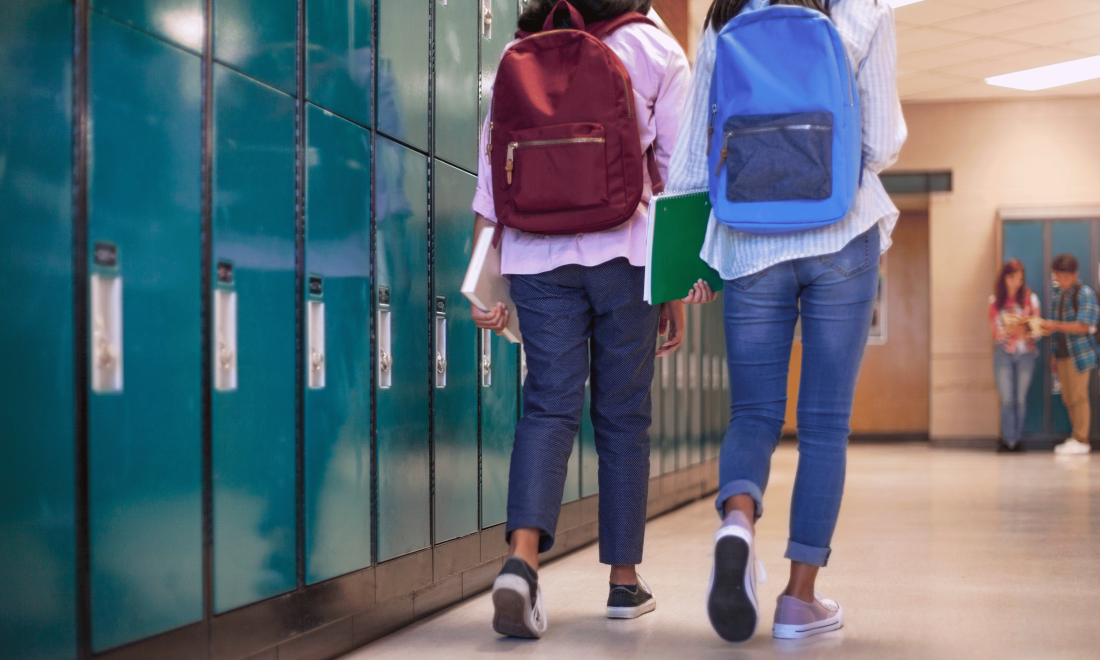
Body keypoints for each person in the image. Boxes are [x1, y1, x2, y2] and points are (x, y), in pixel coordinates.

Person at [670, 0, 906, 643]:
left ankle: (738, 522)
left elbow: (694, 156)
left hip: (749, 239)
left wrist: (682, 265)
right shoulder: (862, 10)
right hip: (840, 232)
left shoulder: (724, 17)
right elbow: (882, 140)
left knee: (753, 412)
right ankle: (799, 601)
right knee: (825, 422)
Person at [469, 0, 691, 639]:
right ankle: (624, 582)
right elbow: (677, 177)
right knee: (623, 416)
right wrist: (670, 280)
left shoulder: (523, 50)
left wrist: (483, 281)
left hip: (536, 258)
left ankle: (521, 561)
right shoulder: (655, 47)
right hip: (626, 253)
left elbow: (492, 183)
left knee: (546, 406)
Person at [1042, 254, 1097, 456]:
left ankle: (1082, 439)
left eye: (1065, 277)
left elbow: (1085, 326)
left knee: (1079, 396)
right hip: (1063, 355)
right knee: (1068, 398)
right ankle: (1076, 438)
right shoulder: (1058, 295)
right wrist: (1054, 356)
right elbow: (1055, 330)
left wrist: (1055, 325)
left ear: (1075, 274)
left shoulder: (1085, 293)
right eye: (1058, 277)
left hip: (1080, 355)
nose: (1061, 282)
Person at [989, 259, 1042, 452]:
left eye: (1019, 279)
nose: (1016, 283)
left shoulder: (1031, 299)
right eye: (1012, 278)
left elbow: (1037, 329)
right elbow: (996, 331)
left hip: (1026, 354)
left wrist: (1026, 333)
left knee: (1020, 399)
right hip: (1003, 353)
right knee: (1006, 398)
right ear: (1004, 278)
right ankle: (1007, 440)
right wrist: (1014, 331)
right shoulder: (996, 301)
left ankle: (1016, 440)